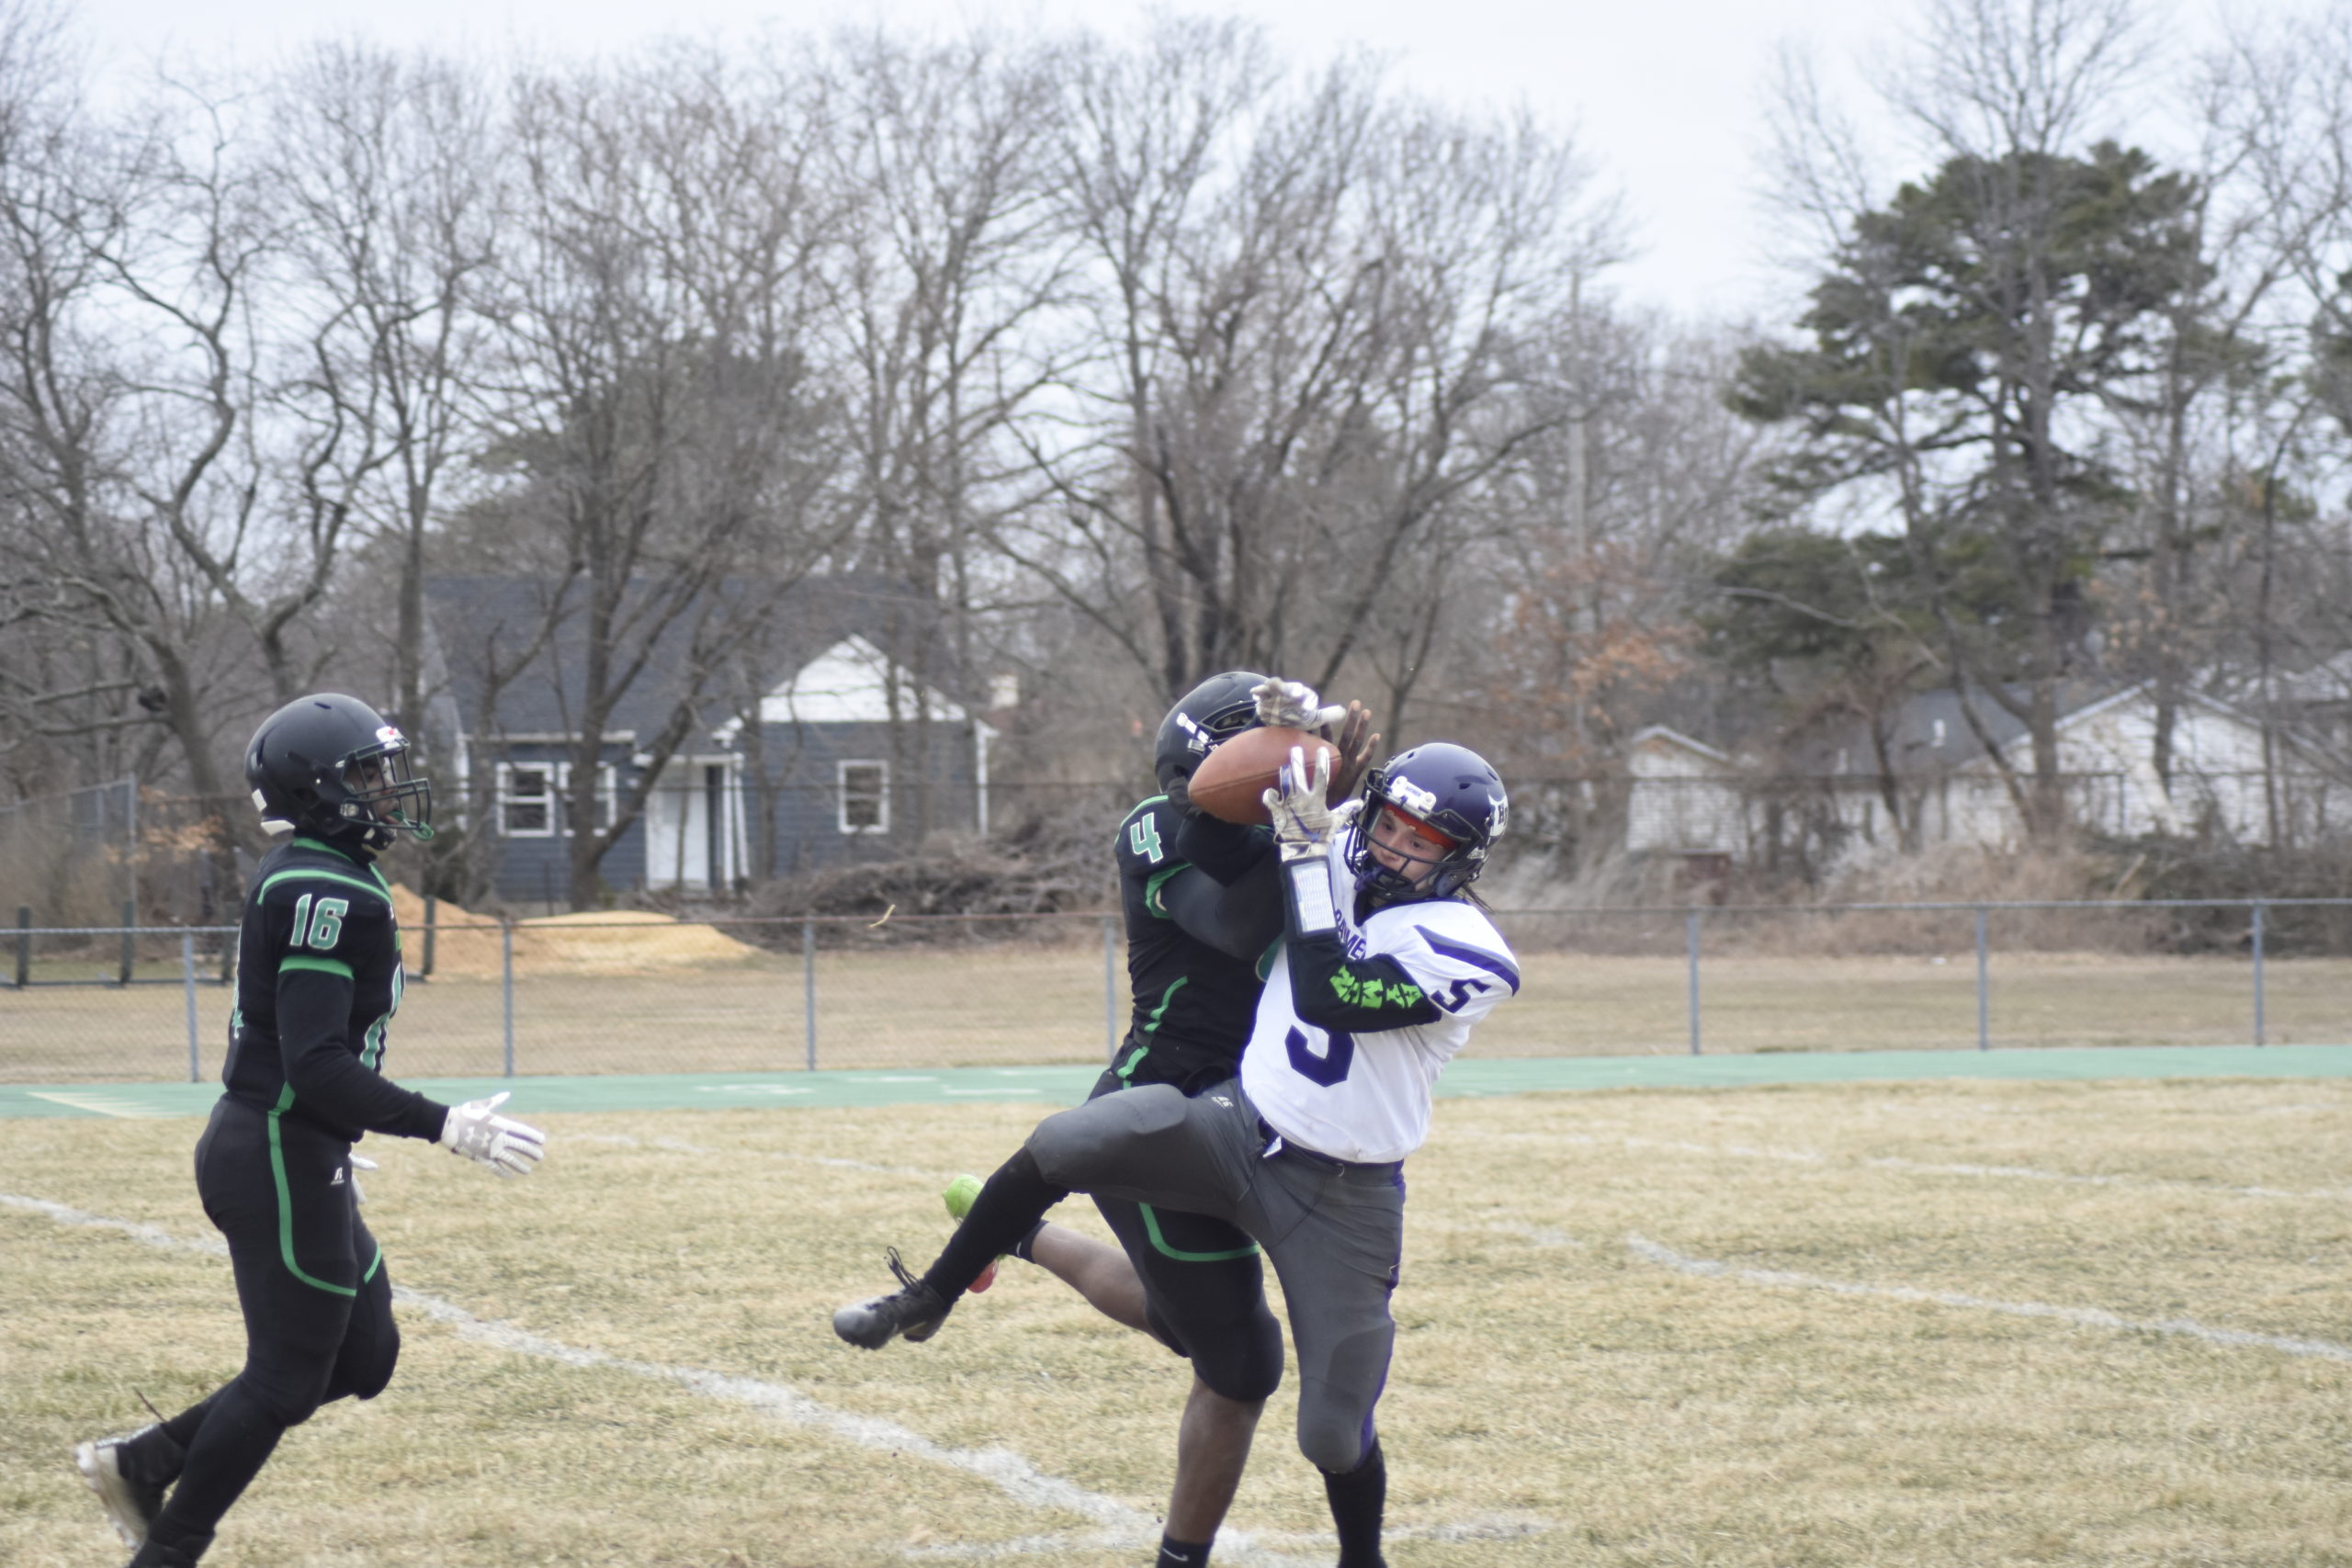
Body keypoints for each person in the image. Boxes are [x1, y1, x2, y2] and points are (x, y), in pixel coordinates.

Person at [835, 739, 1517, 1568]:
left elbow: (1330, 989)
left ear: (1461, 861)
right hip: (1235, 1127)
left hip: (1342, 1190)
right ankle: (932, 1293)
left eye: (1423, 842)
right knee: (1071, 1138)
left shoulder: (1467, 946)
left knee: (1333, 1433)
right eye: (1389, 824)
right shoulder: (1336, 836)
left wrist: (1302, 849)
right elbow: (1212, 842)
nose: (1392, 849)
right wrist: (1274, 769)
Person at [73, 693, 548, 1568]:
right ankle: (167, 1547)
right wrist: (445, 1125)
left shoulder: (327, 870)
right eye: (366, 773)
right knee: (286, 1375)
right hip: (276, 1149)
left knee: (365, 1352)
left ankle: (142, 1460)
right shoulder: (321, 887)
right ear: (318, 790)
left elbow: (308, 1065)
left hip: (294, 1145)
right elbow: (316, 1063)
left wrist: (329, 1133)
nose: (386, 788)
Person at [929, 670, 1375, 1568]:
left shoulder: (1310, 825)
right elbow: (1242, 924)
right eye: (1259, 767)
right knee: (1232, 1355)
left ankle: (1025, 1241)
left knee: (1197, 1330)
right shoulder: (1160, 825)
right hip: (1158, 1107)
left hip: (1261, 1111)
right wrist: (1300, 819)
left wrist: (1342, 807)